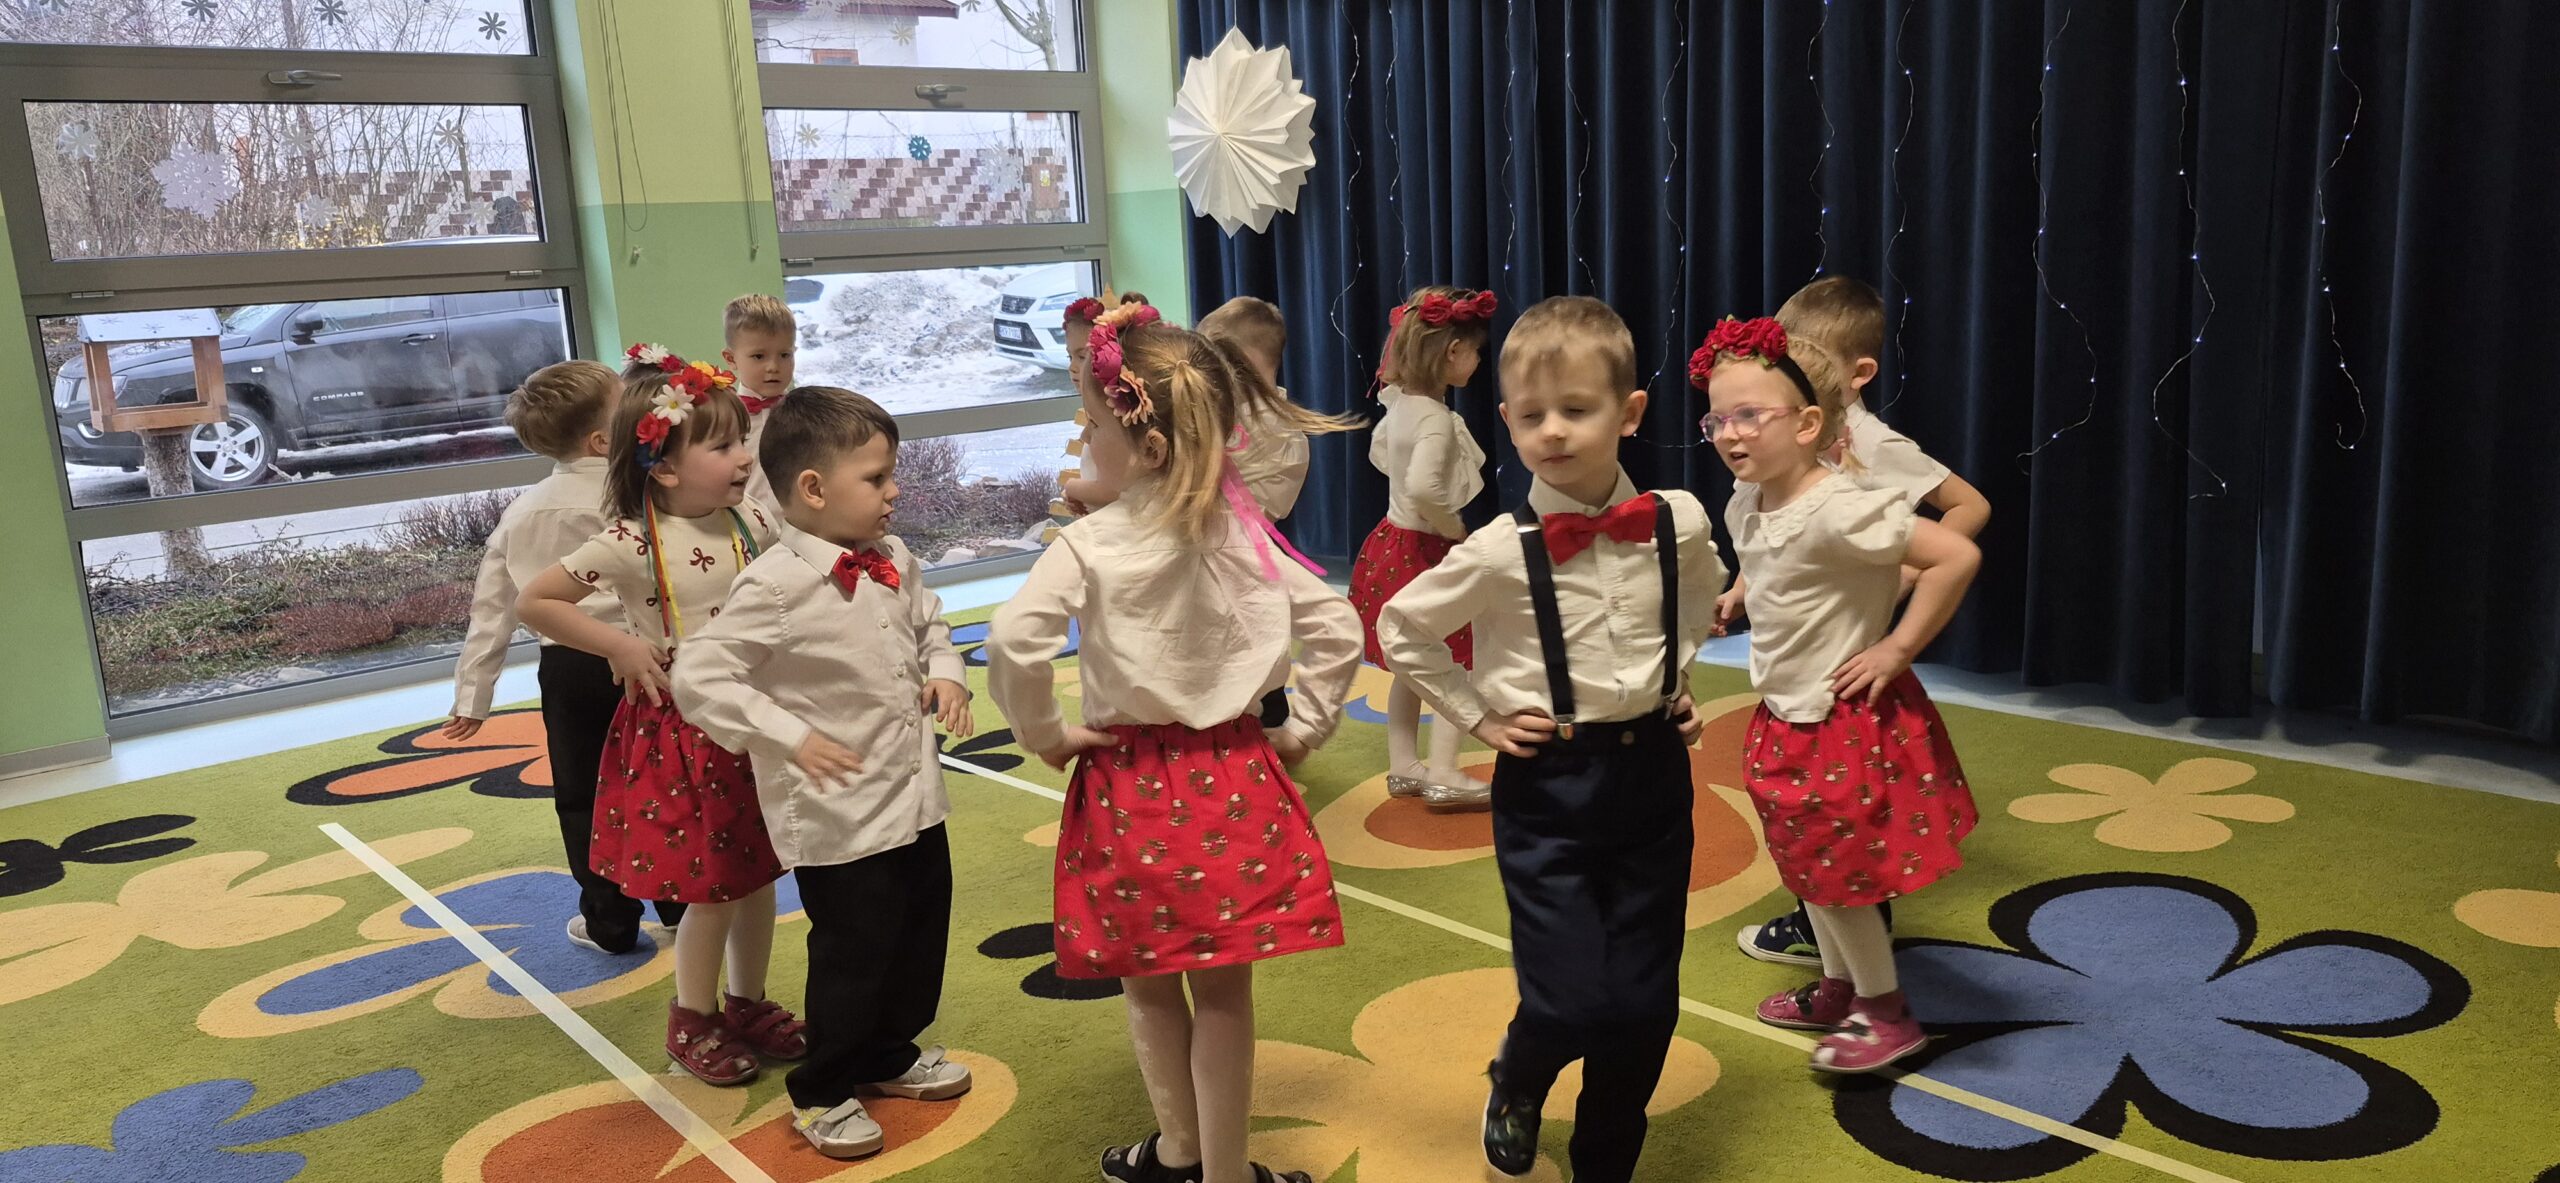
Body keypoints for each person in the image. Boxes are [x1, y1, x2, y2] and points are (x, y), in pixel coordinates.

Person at [987, 310, 1361, 1183]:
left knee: (1148, 981)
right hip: (1238, 779)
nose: (1083, 442)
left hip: (1129, 786)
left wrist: (1044, 733)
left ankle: (1179, 1152)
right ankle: (1224, 1172)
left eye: (1091, 425)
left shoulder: (1089, 542)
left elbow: (1011, 640)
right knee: (1226, 990)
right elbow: (1339, 629)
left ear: (1145, 445)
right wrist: (1304, 727)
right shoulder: (1243, 533)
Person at [1379, 295, 1724, 1183]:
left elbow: (1700, 596)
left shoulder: (1679, 519)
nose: (1554, 431)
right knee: (1569, 995)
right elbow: (1402, 627)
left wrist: (1675, 682)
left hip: (1653, 779)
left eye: (1577, 408)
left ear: (1631, 412)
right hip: (1548, 787)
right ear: (1506, 421)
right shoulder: (1499, 548)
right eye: (1532, 416)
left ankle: (1604, 1161)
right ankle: (1520, 1070)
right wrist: (1478, 716)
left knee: (1644, 1004)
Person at [673, 386, 976, 1158]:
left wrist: (946, 672)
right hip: (838, 817)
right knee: (854, 951)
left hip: (915, 796)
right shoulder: (774, 584)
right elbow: (700, 674)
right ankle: (823, 1085)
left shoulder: (895, 557)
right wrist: (787, 733)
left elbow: (931, 623)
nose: (894, 490)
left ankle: (887, 1051)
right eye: (876, 477)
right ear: (813, 488)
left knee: (918, 934)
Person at [1694, 314, 1981, 1073]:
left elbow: (1954, 553)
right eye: (1717, 419)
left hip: (1838, 721)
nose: (1729, 433)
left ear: (1808, 424)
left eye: (1749, 415)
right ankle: (1839, 985)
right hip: (1784, 711)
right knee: (1805, 867)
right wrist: (1741, 593)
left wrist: (1897, 646)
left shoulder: (1843, 506)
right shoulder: (1748, 498)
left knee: (1837, 877)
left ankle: (1885, 1011)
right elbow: (1770, 554)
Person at [516, 345, 799, 1087]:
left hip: (755, 721)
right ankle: (691, 1017)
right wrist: (618, 643)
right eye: (723, 445)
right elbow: (536, 601)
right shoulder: (630, 539)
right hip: (690, 733)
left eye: (741, 440)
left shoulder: (752, 520)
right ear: (665, 468)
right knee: (714, 888)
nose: (744, 456)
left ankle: (746, 1002)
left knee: (760, 875)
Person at [448, 360, 684, 953]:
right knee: (664, 780)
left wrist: (473, 696)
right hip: (649, 659)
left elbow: (493, 606)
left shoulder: (523, 512)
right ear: (603, 440)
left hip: (570, 669)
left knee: (585, 797)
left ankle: (610, 921)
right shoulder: (641, 495)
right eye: (626, 406)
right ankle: (680, 903)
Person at [1350, 285, 1498, 810]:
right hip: (1424, 552)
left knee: (1410, 663)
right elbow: (1424, 488)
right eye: (1475, 351)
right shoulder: (1435, 418)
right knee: (1455, 662)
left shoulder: (1401, 406)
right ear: (1453, 352)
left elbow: (1392, 470)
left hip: (1392, 542)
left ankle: (1404, 766)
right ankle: (1444, 772)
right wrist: (1454, 529)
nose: (1478, 361)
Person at [1200, 294, 1360, 732]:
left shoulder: (1269, 427)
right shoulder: (1236, 415)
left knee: (1245, 644)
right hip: (1221, 547)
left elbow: (1243, 501)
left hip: (1236, 551)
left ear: (1244, 361)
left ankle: (1266, 725)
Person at [721, 293, 798, 510]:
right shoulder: (724, 418)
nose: (773, 367)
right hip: (743, 522)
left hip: (797, 523)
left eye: (785, 355)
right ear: (731, 359)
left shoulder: (806, 416)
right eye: (759, 356)